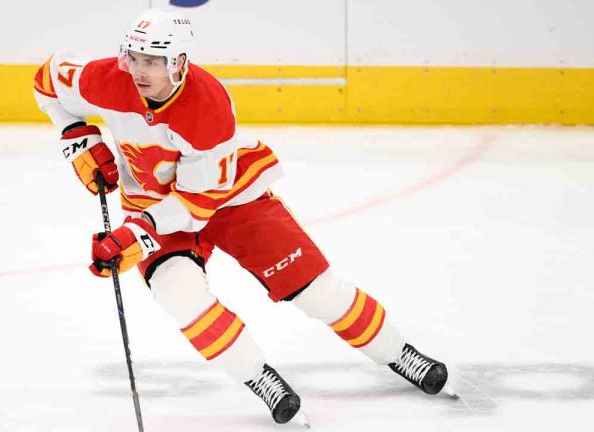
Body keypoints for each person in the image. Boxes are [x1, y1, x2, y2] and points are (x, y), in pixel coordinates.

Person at [34, 8, 450, 426]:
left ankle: (398, 352)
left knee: (316, 291)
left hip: (231, 199)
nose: (140, 71)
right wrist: (76, 134)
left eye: (154, 61)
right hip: (153, 206)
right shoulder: (105, 78)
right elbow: (46, 81)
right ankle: (259, 377)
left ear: (179, 62)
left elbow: (196, 206)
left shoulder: (208, 107)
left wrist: (137, 232)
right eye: (134, 58)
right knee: (182, 298)